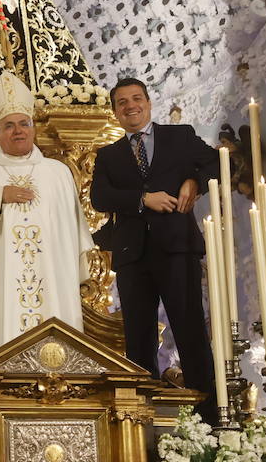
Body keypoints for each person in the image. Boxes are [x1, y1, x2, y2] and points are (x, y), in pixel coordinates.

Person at [0, 72, 94, 362]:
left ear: (33, 128)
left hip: (53, 276)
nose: (18, 131)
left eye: (24, 124)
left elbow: (72, 231)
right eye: (9, 125)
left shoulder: (58, 173)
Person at [90, 77, 217, 395]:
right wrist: (142, 199)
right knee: (139, 336)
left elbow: (215, 162)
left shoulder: (180, 136)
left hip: (177, 248)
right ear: (116, 112)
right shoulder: (109, 155)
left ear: (148, 102)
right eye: (122, 102)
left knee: (190, 330)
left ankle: (209, 415)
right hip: (133, 255)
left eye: (136, 98)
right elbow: (100, 198)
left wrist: (194, 181)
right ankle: (142, 416)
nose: (131, 105)